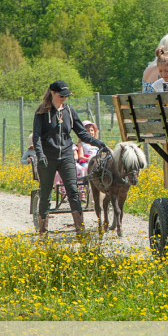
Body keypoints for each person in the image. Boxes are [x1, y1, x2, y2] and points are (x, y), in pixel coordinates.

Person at [33, 80, 107, 234]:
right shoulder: (41, 112)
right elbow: (37, 137)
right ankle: (43, 231)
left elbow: (82, 133)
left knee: (73, 191)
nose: (65, 98)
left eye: (67, 95)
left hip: (67, 156)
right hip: (47, 157)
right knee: (46, 193)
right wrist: (40, 155)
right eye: (62, 95)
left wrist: (99, 143)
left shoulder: (69, 111)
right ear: (52, 93)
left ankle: (80, 229)